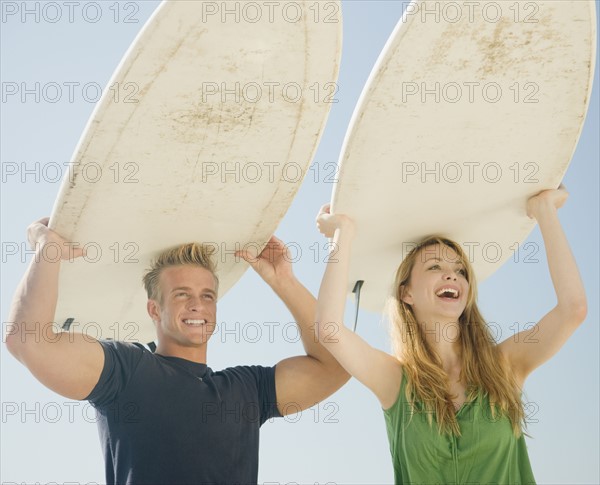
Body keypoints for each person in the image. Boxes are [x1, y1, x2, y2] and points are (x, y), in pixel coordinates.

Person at [5, 218, 349, 485]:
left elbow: (336, 364)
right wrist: (48, 250)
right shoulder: (127, 371)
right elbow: (27, 340)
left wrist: (284, 282)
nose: (197, 305)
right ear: (154, 310)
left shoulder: (247, 390)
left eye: (207, 296)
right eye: (182, 294)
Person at [314, 186, 586, 484]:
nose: (452, 275)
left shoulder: (504, 365)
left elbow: (572, 309)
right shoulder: (396, 381)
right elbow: (329, 330)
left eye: (461, 271)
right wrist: (344, 232)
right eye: (435, 266)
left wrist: (545, 210)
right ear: (406, 293)